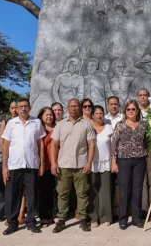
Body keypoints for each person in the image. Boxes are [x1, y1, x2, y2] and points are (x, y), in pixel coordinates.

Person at [1, 98, 46, 235]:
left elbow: (41, 144)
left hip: (31, 163)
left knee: (32, 194)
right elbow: (6, 145)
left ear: (30, 108)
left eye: (26, 106)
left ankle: (31, 222)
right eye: (20, 106)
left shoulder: (37, 122)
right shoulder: (11, 123)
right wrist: (4, 166)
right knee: (13, 195)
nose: (23, 109)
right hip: (14, 164)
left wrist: (42, 163)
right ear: (17, 108)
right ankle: (12, 223)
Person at [50, 98, 96, 233]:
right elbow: (54, 144)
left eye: (76, 106)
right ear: (67, 108)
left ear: (80, 108)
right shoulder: (61, 125)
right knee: (62, 194)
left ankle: (83, 219)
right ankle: (62, 220)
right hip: (64, 164)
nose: (74, 108)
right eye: (71, 106)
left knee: (82, 193)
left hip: (81, 164)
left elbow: (91, 144)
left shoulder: (86, 125)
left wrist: (89, 163)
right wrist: (53, 163)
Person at [110, 100, 147, 230]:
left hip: (139, 161)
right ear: (125, 111)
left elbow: (146, 142)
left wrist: (145, 156)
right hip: (123, 161)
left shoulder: (143, 125)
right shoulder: (120, 125)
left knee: (137, 190)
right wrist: (113, 162)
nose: (131, 111)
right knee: (124, 190)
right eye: (128, 109)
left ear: (137, 111)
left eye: (133, 109)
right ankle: (123, 219)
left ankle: (137, 219)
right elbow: (113, 144)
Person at [0, 101, 26, 226]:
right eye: (12, 108)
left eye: (17, 107)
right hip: (10, 161)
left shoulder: (27, 122)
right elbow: (3, 143)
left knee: (23, 190)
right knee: (11, 190)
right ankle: (11, 215)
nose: (15, 110)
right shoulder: (6, 123)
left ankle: (21, 213)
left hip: (23, 161)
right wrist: (5, 163)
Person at [88, 105, 113, 227]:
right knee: (92, 191)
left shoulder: (109, 128)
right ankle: (93, 217)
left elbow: (113, 147)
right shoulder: (88, 128)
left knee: (105, 191)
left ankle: (105, 217)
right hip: (91, 163)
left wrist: (114, 162)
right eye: (96, 113)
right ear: (92, 115)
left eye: (101, 113)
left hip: (106, 162)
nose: (99, 115)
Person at [138, 88, 151, 222]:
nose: (143, 97)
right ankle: (144, 208)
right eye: (141, 95)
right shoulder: (134, 111)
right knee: (141, 182)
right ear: (138, 97)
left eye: (145, 95)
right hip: (139, 151)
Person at [37, 107, 58, 227]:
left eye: (51, 115)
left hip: (55, 164)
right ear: (41, 116)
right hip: (43, 165)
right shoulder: (38, 130)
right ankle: (44, 217)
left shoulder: (57, 128)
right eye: (46, 115)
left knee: (56, 191)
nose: (49, 117)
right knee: (44, 192)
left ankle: (55, 214)